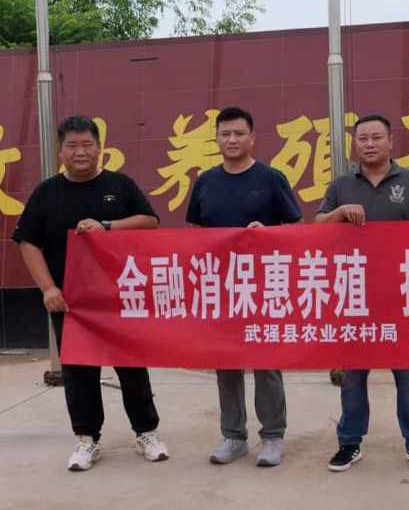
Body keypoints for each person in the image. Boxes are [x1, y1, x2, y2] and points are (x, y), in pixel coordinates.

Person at [13, 115, 169, 471]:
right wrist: (48, 288)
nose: (80, 152)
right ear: (60, 151)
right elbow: (28, 242)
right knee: (79, 371)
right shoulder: (46, 193)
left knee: (131, 367)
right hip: (71, 304)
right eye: (72, 145)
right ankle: (87, 439)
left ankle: (146, 432)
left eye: (87, 144)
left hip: (120, 298)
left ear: (99, 148)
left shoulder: (120, 184)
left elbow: (150, 222)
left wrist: (107, 227)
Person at [315, 114, 409, 472]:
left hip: (401, 293)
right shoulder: (341, 186)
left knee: (408, 374)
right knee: (354, 374)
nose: (369, 144)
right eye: (362, 139)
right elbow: (318, 227)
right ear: (354, 145)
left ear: (390, 142)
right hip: (355, 292)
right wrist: (340, 212)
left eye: (376, 137)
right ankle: (349, 442)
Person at [186, 106, 303, 467]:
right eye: (225, 134)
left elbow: (295, 229)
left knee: (265, 362)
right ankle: (233, 436)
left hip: (263, 285)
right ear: (217, 139)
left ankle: (273, 436)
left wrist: (268, 234)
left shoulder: (271, 179)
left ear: (252, 138)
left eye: (239, 133)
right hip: (220, 286)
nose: (232, 140)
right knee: (226, 362)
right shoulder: (205, 181)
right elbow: (196, 233)